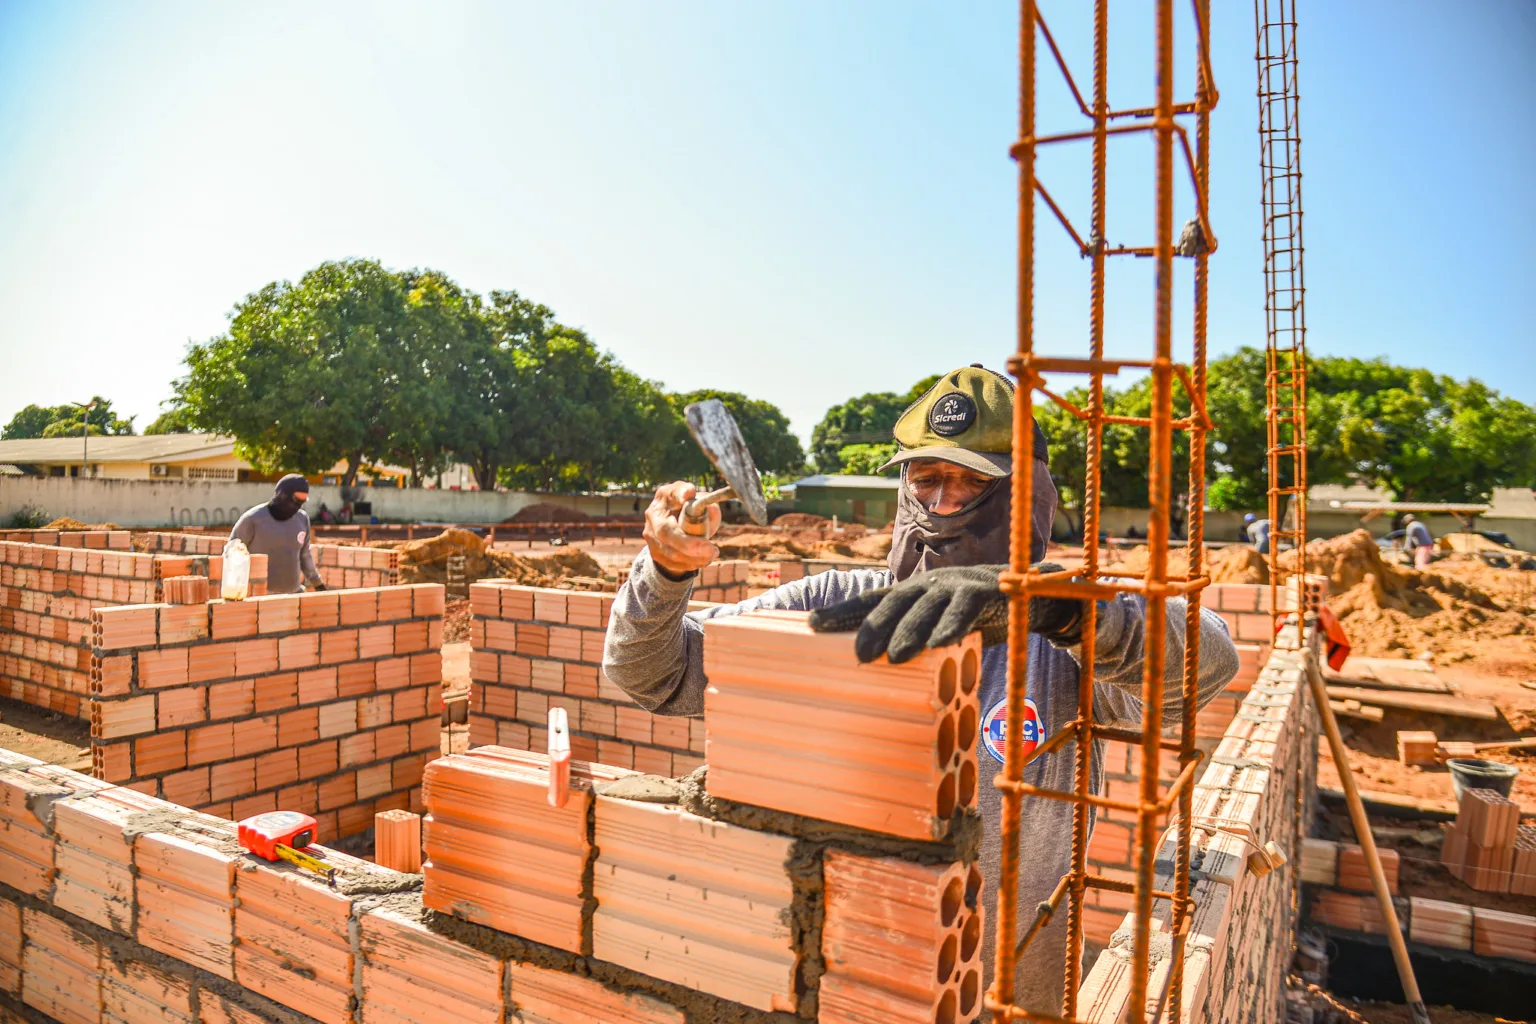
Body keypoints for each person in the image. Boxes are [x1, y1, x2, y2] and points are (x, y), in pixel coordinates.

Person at [603, 364, 1238, 1015]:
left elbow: (1210, 662)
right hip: (848, 983)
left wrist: (1061, 610)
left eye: (970, 485)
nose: (941, 506)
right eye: (926, 481)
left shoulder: (1061, 643)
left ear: (1026, 497)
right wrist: (663, 570)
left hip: (1006, 996)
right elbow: (653, 674)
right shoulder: (837, 605)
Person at [230, 475, 326, 595]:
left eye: (302, 502)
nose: (297, 507)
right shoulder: (253, 519)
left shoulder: (302, 519)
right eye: (296, 500)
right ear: (282, 495)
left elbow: (305, 555)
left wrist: (318, 584)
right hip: (260, 599)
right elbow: (231, 554)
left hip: (293, 596)